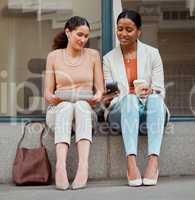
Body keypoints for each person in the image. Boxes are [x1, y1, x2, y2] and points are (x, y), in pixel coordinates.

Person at [103, 10, 170, 187]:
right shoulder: (108, 59)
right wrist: (129, 96)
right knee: (130, 100)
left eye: (129, 29)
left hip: (149, 109)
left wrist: (150, 92)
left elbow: (159, 89)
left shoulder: (152, 53)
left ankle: (153, 161)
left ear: (138, 31)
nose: (123, 34)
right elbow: (110, 97)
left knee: (156, 99)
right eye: (119, 29)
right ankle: (131, 163)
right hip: (120, 112)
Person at [44, 16, 104, 190]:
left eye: (86, 36)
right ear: (68, 32)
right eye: (79, 35)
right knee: (65, 107)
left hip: (84, 109)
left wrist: (97, 96)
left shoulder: (93, 56)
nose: (83, 40)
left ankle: (83, 166)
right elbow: (48, 93)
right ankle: (60, 166)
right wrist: (55, 98)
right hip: (59, 109)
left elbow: (100, 89)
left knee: (80, 107)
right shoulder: (54, 57)